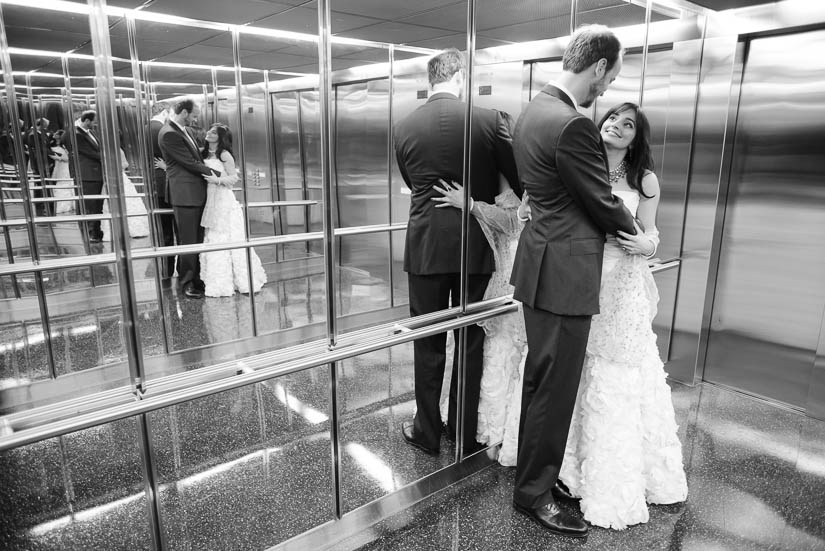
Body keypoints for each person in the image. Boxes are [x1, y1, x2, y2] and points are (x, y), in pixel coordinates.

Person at [509, 25, 638, 538]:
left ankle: (533, 477)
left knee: (541, 380)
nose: (603, 91)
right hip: (564, 271)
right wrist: (638, 235)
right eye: (609, 79)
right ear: (600, 66)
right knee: (554, 386)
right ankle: (534, 494)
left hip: (540, 262)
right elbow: (599, 201)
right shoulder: (572, 124)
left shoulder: (532, 111)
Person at [558, 102, 688, 529]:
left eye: (628, 124)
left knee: (617, 374)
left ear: (637, 137)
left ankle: (616, 481)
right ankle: (571, 468)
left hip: (623, 281)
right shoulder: (582, 167)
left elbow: (651, 233)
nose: (616, 126)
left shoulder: (643, 179)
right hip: (582, 277)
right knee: (581, 371)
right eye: (612, 118)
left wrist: (647, 248)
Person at [393, 47, 519, 456]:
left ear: (431, 79)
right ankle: (462, 432)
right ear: (461, 76)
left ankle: (426, 432)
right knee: (469, 341)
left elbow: (413, 182)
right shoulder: (489, 120)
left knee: (427, 343)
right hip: (474, 246)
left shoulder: (405, 126)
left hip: (426, 246)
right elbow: (517, 181)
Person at [158, 98, 216, 299]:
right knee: (188, 241)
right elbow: (189, 163)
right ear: (183, 112)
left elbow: (196, 157)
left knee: (197, 240)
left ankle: (196, 278)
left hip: (194, 193)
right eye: (194, 115)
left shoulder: (184, 131)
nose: (195, 119)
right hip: (185, 195)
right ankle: (186, 283)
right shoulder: (169, 134)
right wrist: (218, 173)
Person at [199, 123, 266, 297]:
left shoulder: (224, 155)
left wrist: (217, 179)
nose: (209, 133)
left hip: (223, 200)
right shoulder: (202, 152)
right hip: (208, 199)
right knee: (213, 235)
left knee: (225, 235)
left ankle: (237, 279)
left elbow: (233, 179)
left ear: (220, 137)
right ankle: (212, 277)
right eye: (209, 130)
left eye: (214, 132)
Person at [149, 102, 176, 278]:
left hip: (156, 180)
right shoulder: (161, 129)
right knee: (170, 228)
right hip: (165, 181)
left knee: (163, 227)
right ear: (165, 112)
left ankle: (165, 268)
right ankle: (170, 268)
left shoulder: (147, 127)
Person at [69, 110, 104, 242]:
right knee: (90, 205)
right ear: (87, 120)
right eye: (94, 121)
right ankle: (90, 233)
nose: (96, 124)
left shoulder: (91, 133)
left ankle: (96, 231)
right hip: (88, 176)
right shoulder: (77, 134)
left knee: (96, 205)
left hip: (95, 174)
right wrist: (108, 157)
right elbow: (89, 152)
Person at [101, 148, 150, 239]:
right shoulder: (108, 150)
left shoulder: (117, 150)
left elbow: (125, 164)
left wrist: (117, 167)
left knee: (128, 202)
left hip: (118, 177)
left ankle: (131, 229)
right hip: (111, 178)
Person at [49, 130, 75, 215]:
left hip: (64, 166)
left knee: (64, 183)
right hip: (61, 166)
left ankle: (64, 205)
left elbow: (66, 158)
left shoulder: (62, 147)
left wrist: (58, 158)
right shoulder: (62, 147)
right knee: (64, 183)